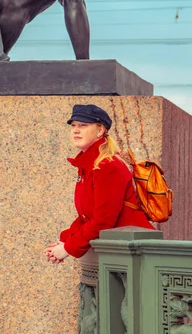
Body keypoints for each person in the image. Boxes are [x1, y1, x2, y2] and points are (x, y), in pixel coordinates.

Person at [45, 104, 154, 264]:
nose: (75, 130)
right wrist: (65, 241)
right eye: (74, 125)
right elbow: (87, 217)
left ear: (100, 130)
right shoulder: (89, 165)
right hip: (118, 249)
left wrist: (68, 248)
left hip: (135, 253)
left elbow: (103, 220)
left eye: (83, 125)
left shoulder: (107, 166)